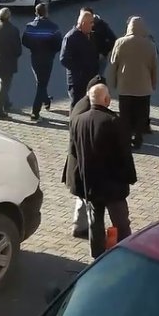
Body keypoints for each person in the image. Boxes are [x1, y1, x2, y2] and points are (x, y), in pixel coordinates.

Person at [71, 83, 137, 258]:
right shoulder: (115, 122)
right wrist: (130, 177)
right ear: (107, 99)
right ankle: (126, 254)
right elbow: (125, 155)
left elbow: (73, 151)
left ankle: (97, 256)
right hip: (113, 186)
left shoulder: (78, 120)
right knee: (121, 223)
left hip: (91, 185)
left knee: (95, 223)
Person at [106, 16, 158, 149]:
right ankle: (138, 138)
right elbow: (154, 67)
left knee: (125, 114)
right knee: (141, 114)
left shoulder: (120, 42)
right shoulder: (150, 45)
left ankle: (126, 138)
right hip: (143, 88)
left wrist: (112, 84)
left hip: (125, 86)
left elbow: (113, 64)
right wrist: (153, 84)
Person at [62, 77, 99, 239]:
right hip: (81, 163)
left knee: (81, 196)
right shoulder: (86, 110)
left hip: (76, 162)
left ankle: (79, 225)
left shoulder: (80, 104)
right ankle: (86, 229)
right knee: (87, 198)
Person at [22, 3, 63, 120]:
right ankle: (35, 112)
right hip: (47, 59)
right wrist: (51, 52)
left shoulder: (30, 26)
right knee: (41, 83)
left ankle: (46, 101)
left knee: (40, 82)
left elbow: (24, 41)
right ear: (46, 12)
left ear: (36, 12)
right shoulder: (53, 27)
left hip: (34, 58)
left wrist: (33, 48)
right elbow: (58, 45)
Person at [60, 10, 100, 107]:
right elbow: (64, 59)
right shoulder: (71, 37)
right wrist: (80, 69)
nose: (92, 25)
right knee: (77, 106)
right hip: (77, 81)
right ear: (83, 24)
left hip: (90, 79)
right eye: (90, 23)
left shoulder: (91, 35)